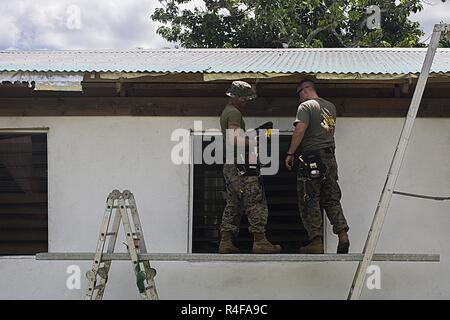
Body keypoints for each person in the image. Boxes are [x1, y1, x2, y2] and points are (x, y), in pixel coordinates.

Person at [285, 79, 350, 254]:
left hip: (312, 157)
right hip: (329, 157)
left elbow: (300, 130)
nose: (299, 99)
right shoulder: (331, 106)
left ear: (305, 90)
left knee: (310, 197)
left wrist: (290, 153)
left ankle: (315, 241)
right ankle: (342, 233)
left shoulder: (306, 107)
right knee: (331, 197)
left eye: (299, 94)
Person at [218, 80, 281, 254]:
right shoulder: (234, 113)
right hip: (242, 163)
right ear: (237, 97)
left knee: (234, 202)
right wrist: (256, 140)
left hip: (232, 164)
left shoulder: (228, 112)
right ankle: (260, 241)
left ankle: (226, 241)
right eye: (245, 99)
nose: (247, 102)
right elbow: (233, 139)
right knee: (255, 200)